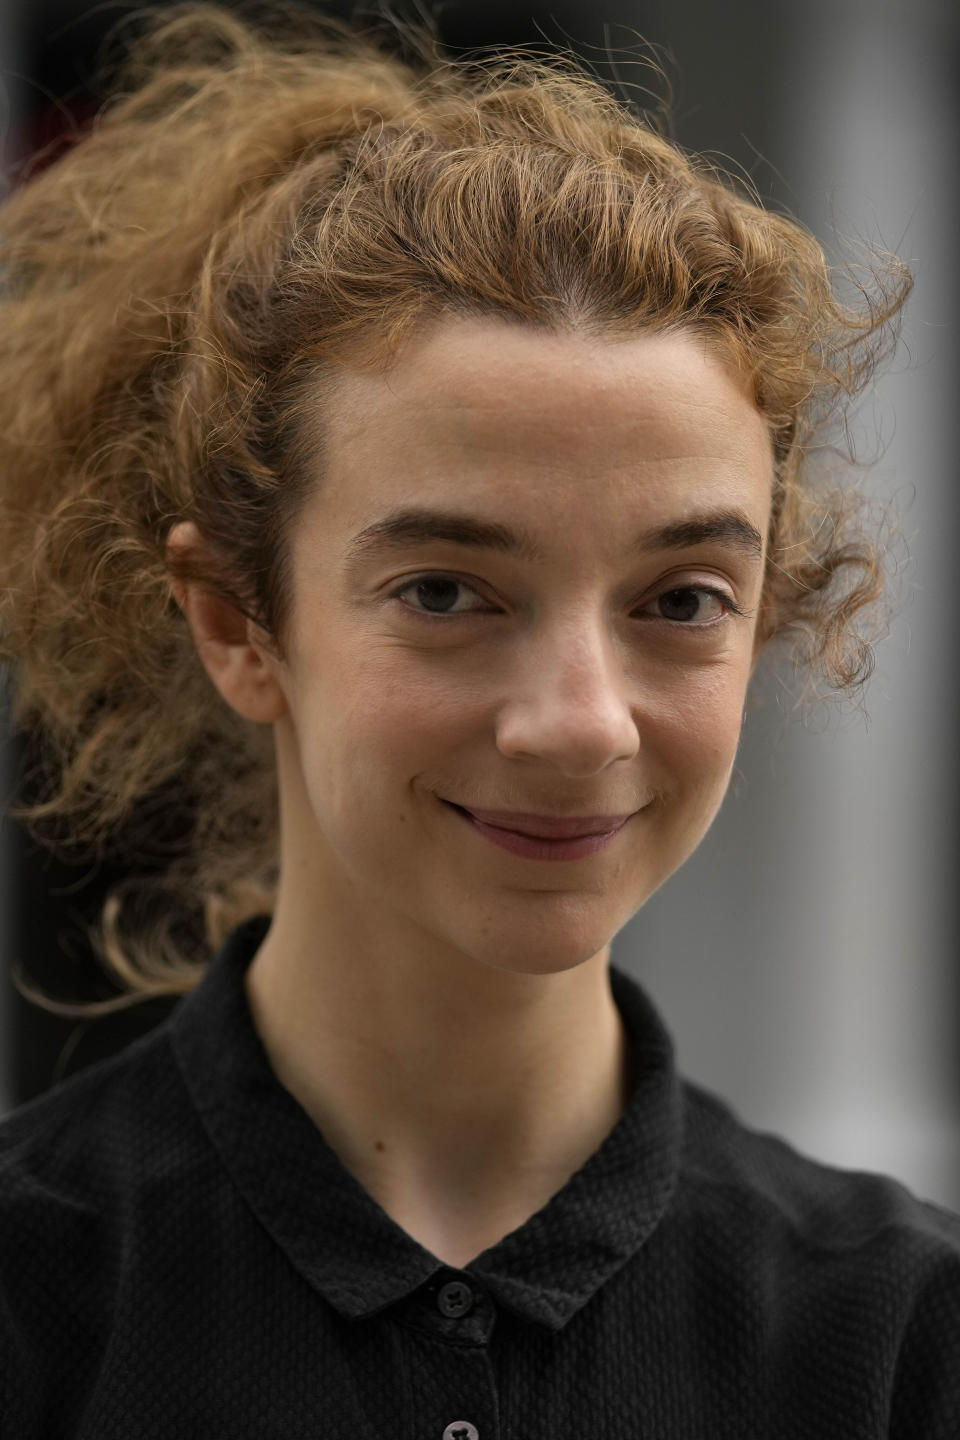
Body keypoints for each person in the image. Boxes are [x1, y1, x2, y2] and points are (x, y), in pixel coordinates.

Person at [1, 3, 957, 1436]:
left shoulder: (894, 1335)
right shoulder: (36, 1301)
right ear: (233, 623)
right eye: (448, 591)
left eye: (681, 598)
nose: (578, 723)